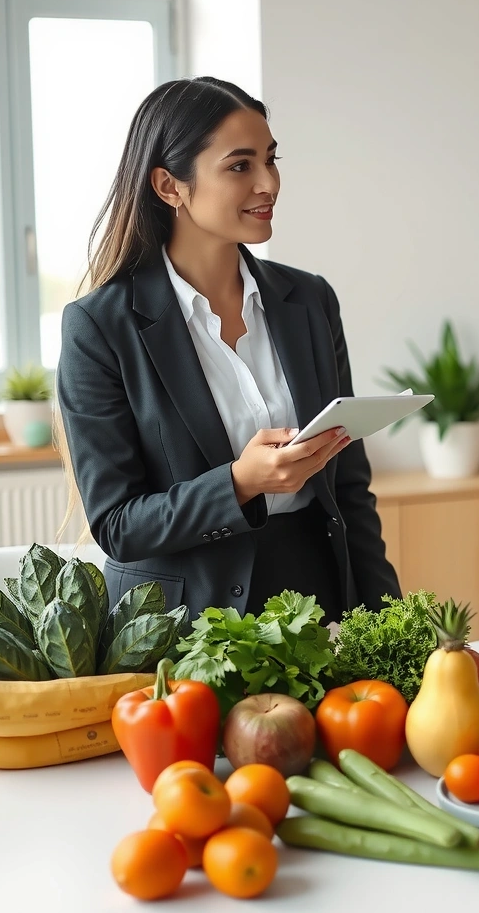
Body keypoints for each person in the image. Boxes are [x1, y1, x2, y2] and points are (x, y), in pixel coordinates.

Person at [56, 76, 400, 624]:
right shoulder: (98, 326)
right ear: (169, 186)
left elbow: (350, 489)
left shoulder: (309, 299)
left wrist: (389, 626)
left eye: (271, 159)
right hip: (181, 622)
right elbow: (120, 526)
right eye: (240, 165)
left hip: (317, 596)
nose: (269, 183)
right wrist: (242, 483)